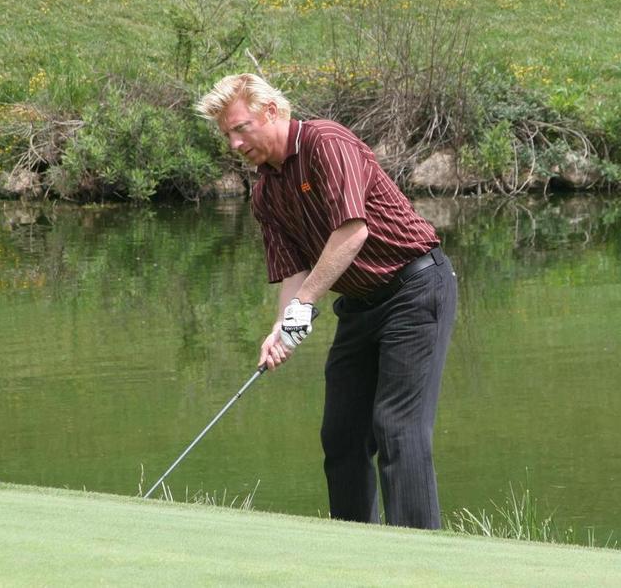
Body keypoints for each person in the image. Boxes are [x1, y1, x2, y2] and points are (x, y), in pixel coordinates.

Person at [195, 73, 458, 530]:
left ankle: (420, 559)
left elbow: (352, 232)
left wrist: (307, 303)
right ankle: (353, 553)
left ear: (271, 112)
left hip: (416, 289)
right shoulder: (266, 192)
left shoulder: (326, 142)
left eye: (241, 128)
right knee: (341, 435)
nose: (235, 143)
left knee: (398, 429)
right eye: (227, 135)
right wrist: (282, 328)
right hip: (359, 305)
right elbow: (293, 270)